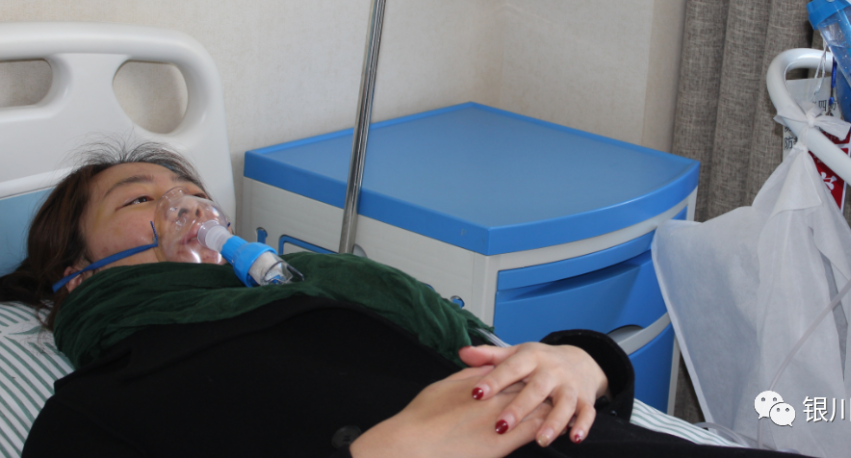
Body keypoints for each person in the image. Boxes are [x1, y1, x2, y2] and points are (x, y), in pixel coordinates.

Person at [0, 143, 789, 458]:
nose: (186, 205)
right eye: (140, 198)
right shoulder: (99, 403)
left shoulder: (321, 293)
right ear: (74, 274)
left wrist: (582, 361)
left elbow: (486, 352)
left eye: (191, 189)